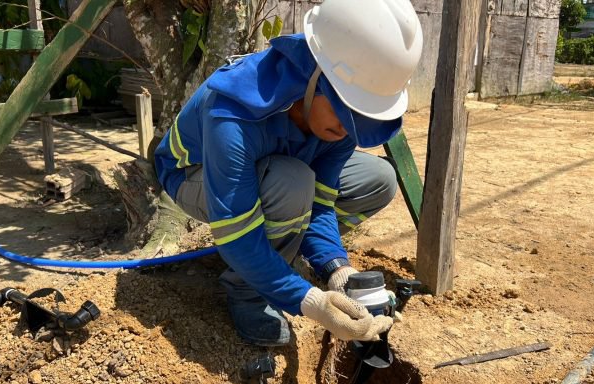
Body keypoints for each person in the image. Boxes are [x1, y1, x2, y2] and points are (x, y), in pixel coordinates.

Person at [152, 0, 423, 346]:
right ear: (315, 77)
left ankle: (281, 253)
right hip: (193, 172)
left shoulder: (339, 123)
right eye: (344, 112)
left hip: (279, 164)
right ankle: (249, 291)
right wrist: (310, 302)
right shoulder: (234, 111)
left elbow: (322, 203)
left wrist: (336, 268)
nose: (348, 129)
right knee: (292, 182)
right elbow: (235, 233)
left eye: (359, 117)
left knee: (377, 179)